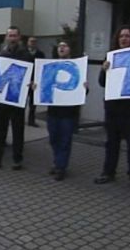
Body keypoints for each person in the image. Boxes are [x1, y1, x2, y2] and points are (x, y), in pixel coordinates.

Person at [94, 25, 130, 191]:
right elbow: (102, 83)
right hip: (113, 109)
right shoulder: (111, 57)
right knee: (112, 143)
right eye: (121, 36)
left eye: (128, 36)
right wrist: (103, 70)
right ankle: (108, 172)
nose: (124, 39)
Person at [0, 26, 34, 171]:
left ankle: (17, 159)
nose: (12, 38)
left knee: (18, 130)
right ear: (6, 37)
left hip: (17, 99)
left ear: (19, 38)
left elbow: (33, 75)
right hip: (1, 99)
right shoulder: (0, 54)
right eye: (10, 36)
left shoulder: (27, 55)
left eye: (15, 36)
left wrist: (32, 83)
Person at [44, 41, 87, 181]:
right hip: (53, 112)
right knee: (53, 139)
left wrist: (85, 88)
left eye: (65, 45)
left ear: (70, 49)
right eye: (59, 46)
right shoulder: (50, 67)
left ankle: (61, 167)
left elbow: (82, 92)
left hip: (69, 113)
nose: (61, 47)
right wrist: (36, 87)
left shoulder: (77, 67)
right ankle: (58, 162)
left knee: (65, 140)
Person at [27, 36, 46, 127]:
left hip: (35, 81)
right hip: (25, 81)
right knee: (21, 102)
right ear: (28, 42)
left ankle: (31, 120)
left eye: (34, 41)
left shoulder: (40, 54)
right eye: (31, 41)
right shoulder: (23, 53)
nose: (33, 43)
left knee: (33, 103)